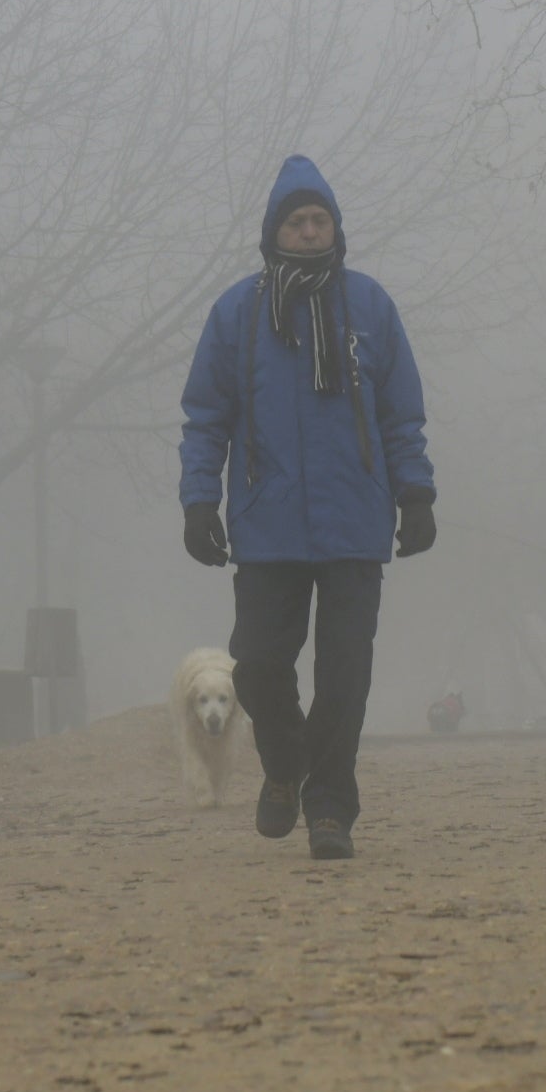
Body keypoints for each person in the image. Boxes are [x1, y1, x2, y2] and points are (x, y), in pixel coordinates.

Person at [177, 155, 435, 861]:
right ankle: (287, 765)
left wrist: (416, 492)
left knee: (344, 675)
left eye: (320, 219)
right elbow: (205, 416)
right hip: (267, 523)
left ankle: (330, 808)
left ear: (336, 228)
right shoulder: (237, 313)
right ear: (275, 230)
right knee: (257, 666)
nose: (310, 230)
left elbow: (401, 413)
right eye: (298, 220)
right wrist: (200, 497)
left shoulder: (371, 306)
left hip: (356, 520)